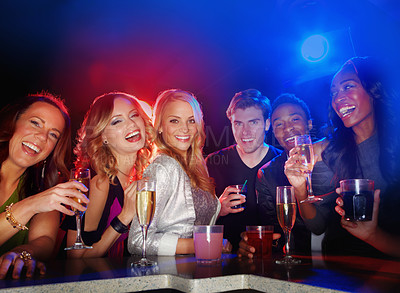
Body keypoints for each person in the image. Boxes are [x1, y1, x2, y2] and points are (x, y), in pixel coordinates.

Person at [285, 56, 400, 258]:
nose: (338, 98)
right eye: (334, 92)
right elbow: (317, 225)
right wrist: (300, 189)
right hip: (341, 268)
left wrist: (373, 236)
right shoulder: (326, 151)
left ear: (374, 90)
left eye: (348, 87)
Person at [0, 92, 88, 279]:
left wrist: (23, 252)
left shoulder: (45, 188)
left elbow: (44, 241)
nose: (42, 137)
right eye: (35, 123)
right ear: (13, 122)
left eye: (53, 134)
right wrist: (32, 205)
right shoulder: (42, 198)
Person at [128, 89, 221, 255]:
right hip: (170, 274)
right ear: (161, 127)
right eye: (174, 121)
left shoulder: (197, 164)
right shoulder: (163, 168)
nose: (185, 129)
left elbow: (191, 215)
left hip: (196, 270)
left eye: (191, 121)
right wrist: (201, 244)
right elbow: (137, 241)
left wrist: (220, 207)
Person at [65, 92, 155, 258]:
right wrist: (124, 218)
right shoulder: (100, 183)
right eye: (117, 121)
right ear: (103, 136)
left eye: (134, 115)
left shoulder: (139, 177)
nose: (132, 124)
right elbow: (76, 259)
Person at [239, 93, 327, 258]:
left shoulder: (331, 157)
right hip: (298, 262)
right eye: (279, 124)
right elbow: (272, 230)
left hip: (344, 258)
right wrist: (254, 242)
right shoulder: (267, 174)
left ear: (309, 124)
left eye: (295, 120)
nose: (287, 128)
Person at [206, 89, 282, 253]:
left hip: (273, 261)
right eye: (238, 123)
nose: (245, 132)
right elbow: (194, 224)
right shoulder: (213, 163)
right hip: (225, 264)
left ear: (267, 124)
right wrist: (217, 208)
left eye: (253, 122)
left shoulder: (283, 163)